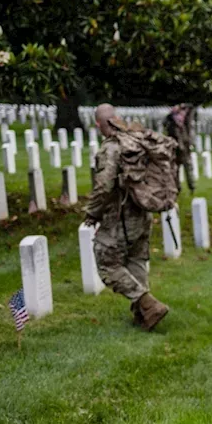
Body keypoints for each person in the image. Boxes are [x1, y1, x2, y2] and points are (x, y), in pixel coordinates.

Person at [84, 104, 170, 331]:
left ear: (98, 125)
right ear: (117, 119)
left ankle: (149, 305)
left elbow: (103, 186)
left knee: (107, 264)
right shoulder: (136, 141)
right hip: (142, 213)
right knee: (136, 260)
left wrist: (92, 212)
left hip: (120, 217)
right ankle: (143, 315)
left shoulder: (111, 148)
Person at [163, 103, 195, 193]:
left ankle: (191, 186)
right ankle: (177, 187)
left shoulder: (185, 119)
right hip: (175, 147)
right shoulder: (170, 119)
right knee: (176, 169)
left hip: (185, 146)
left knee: (188, 167)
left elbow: (189, 131)